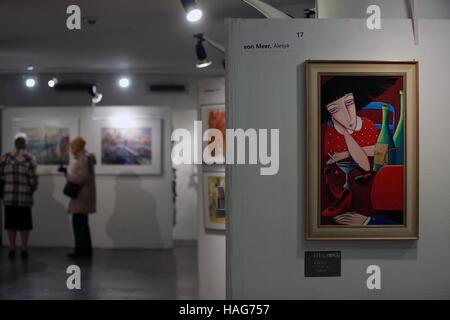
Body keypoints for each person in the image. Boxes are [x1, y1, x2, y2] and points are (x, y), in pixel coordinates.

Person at [0, 133, 38, 260]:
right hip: (24, 197)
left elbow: (1, 176)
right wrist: (31, 190)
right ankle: (24, 248)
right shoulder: (30, 158)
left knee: (11, 224)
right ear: (25, 144)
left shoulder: (5, 157)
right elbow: (34, 180)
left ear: (15, 143)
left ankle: (11, 248)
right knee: (24, 224)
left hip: (9, 196)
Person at [64, 137, 97, 259]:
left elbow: (83, 178)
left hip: (81, 197)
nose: (71, 149)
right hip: (84, 196)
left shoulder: (83, 159)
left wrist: (68, 176)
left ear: (78, 147)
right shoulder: (86, 158)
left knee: (79, 226)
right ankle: (84, 251)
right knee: (82, 226)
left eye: (72, 147)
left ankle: (81, 252)